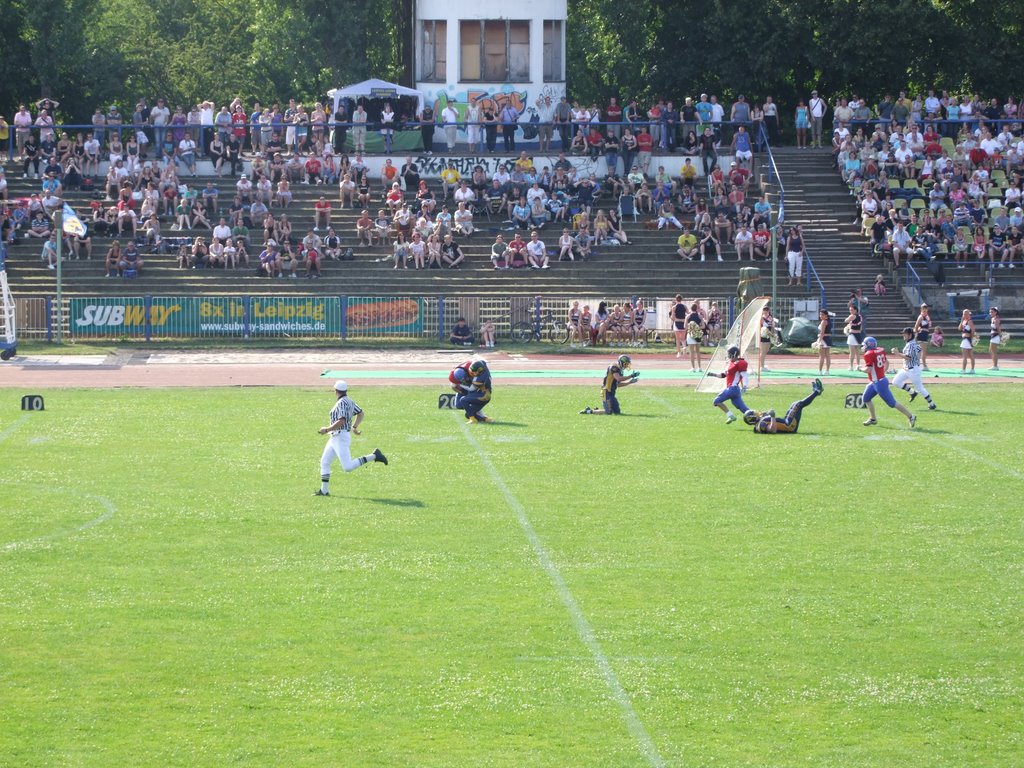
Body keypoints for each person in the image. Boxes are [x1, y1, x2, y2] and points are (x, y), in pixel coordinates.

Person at [315, 380, 388, 497]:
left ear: (336, 391)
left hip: (340, 436)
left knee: (347, 467)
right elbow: (361, 413)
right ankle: (324, 491)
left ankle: (374, 455)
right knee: (324, 462)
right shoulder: (349, 401)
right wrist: (354, 427)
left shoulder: (341, 403)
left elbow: (342, 420)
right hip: (335, 437)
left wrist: (327, 429)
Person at [860, 337, 916, 428]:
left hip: (879, 383)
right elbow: (887, 363)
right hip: (876, 381)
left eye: (864, 345)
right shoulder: (880, 350)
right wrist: (882, 373)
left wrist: (860, 369)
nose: (863, 347)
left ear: (869, 345)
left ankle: (911, 416)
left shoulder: (869, 354)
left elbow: (868, 369)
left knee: (892, 403)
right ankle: (873, 419)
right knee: (866, 398)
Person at [744, 379, 824, 434]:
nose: (757, 413)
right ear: (752, 418)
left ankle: (815, 392)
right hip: (789, 426)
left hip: (786, 423)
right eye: (755, 414)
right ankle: (817, 392)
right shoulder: (761, 424)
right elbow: (772, 430)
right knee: (798, 405)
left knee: (794, 404)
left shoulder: (759, 423)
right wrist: (772, 417)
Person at [891, 326, 937, 410]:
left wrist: (897, 353)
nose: (903, 336)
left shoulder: (911, 345)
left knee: (919, 387)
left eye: (904, 334)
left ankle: (932, 403)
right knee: (895, 381)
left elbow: (908, 357)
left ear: (909, 335)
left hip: (913, 370)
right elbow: (919, 350)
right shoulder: (912, 343)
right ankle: (912, 393)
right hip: (907, 368)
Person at [710, 345, 751, 424]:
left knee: (716, 401)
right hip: (735, 390)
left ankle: (730, 416)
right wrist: (713, 374)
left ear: (734, 354)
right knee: (744, 409)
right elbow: (723, 375)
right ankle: (758, 418)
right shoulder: (731, 363)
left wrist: (745, 386)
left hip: (732, 389)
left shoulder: (739, 363)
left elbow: (745, 376)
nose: (728, 355)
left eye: (729, 354)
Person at [450, 358, 493, 423]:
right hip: (473, 389)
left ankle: (475, 418)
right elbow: (454, 386)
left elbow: (472, 388)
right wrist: (459, 390)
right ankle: (480, 418)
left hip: (481, 392)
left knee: (465, 401)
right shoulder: (475, 366)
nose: (475, 374)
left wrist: (460, 384)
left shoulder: (478, 378)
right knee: (459, 405)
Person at [843, 301, 864, 370]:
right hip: (858, 335)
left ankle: (851, 366)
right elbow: (861, 328)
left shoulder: (852, 316)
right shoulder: (860, 316)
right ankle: (858, 365)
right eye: (850, 310)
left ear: (855, 310)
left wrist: (849, 320)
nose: (850, 311)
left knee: (852, 352)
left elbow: (845, 320)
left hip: (852, 335)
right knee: (857, 352)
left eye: (852, 310)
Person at [913, 302, 933, 370]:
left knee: (921, 351)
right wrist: (918, 330)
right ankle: (924, 366)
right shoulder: (921, 317)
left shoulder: (926, 317)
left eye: (926, 308)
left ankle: (918, 365)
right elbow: (915, 327)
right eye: (923, 308)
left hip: (925, 334)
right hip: (921, 334)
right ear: (921, 309)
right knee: (922, 351)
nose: (925, 309)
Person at [958, 308, 976, 374]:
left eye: (966, 314)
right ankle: (972, 370)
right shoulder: (964, 321)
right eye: (964, 314)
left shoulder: (970, 321)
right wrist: (961, 320)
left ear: (969, 314)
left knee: (966, 355)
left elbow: (973, 330)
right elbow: (959, 328)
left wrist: (971, 337)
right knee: (970, 355)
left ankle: (964, 370)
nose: (965, 315)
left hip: (967, 340)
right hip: (965, 339)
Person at [814, 308, 832, 375]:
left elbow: (822, 333)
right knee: (827, 355)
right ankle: (827, 371)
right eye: (820, 314)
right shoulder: (829, 321)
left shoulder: (824, 322)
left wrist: (818, 341)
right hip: (828, 339)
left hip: (823, 339)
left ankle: (820, 371)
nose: (821, 316)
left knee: (821, 356)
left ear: (826, 315)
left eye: (822, 314)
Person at [988, 306, 1004, 371]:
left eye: (992, 312)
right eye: (990, 312)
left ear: (996, 312)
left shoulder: (996, 319)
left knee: (993, 351)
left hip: (996, 336)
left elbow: (998, 328)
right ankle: (994, 365)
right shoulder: (993, 318)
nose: (990, 313)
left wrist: (1001, 336)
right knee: (990, 350)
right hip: (993, 335)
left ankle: (995, 366)